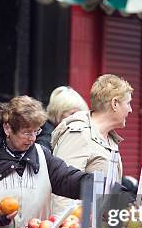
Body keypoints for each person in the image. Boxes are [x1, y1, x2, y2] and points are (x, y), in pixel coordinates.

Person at [0, 96, 91, 228]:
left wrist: (96, 183)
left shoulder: (43, 155)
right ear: (7, 128)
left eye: (36, 131)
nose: (33, 138)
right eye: (26, 132)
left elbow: (68, 179)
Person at [51, 74, 133, 214]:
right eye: (128, 103)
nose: (130, 109)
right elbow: (61, 194)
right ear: (114, 103)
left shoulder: (110, 139)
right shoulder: (78, 134)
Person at [37, 86, 89, 150]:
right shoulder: (46, 138)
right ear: (58, 112)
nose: (78, 117)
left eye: (80, 114)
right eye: (72, 113)